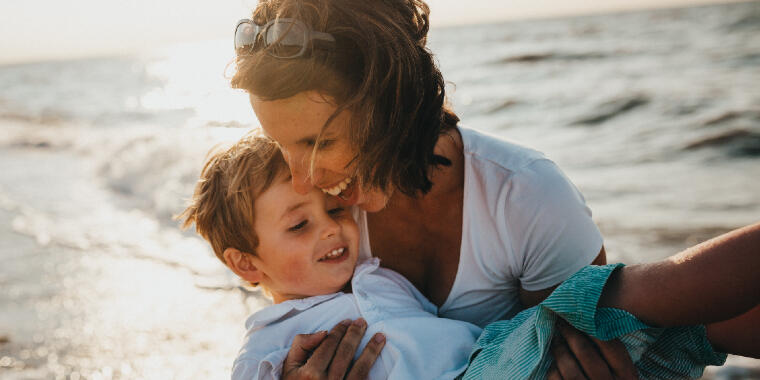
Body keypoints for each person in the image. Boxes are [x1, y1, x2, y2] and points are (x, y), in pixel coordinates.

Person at [228, 0, 760, 378]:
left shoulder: (523, 196)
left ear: (387, 103)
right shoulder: (317, 216)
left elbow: (591, 341)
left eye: (318, 142)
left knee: (657, 319)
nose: (302, 176)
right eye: (281, 147)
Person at [179, 133, 758, 379]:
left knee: (691, 327)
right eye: (299, 225)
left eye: (333, 210)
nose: (333, 229)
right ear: (246, 265)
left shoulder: (375, 276)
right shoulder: (269, 342)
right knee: (630, 297)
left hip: (501, 356)